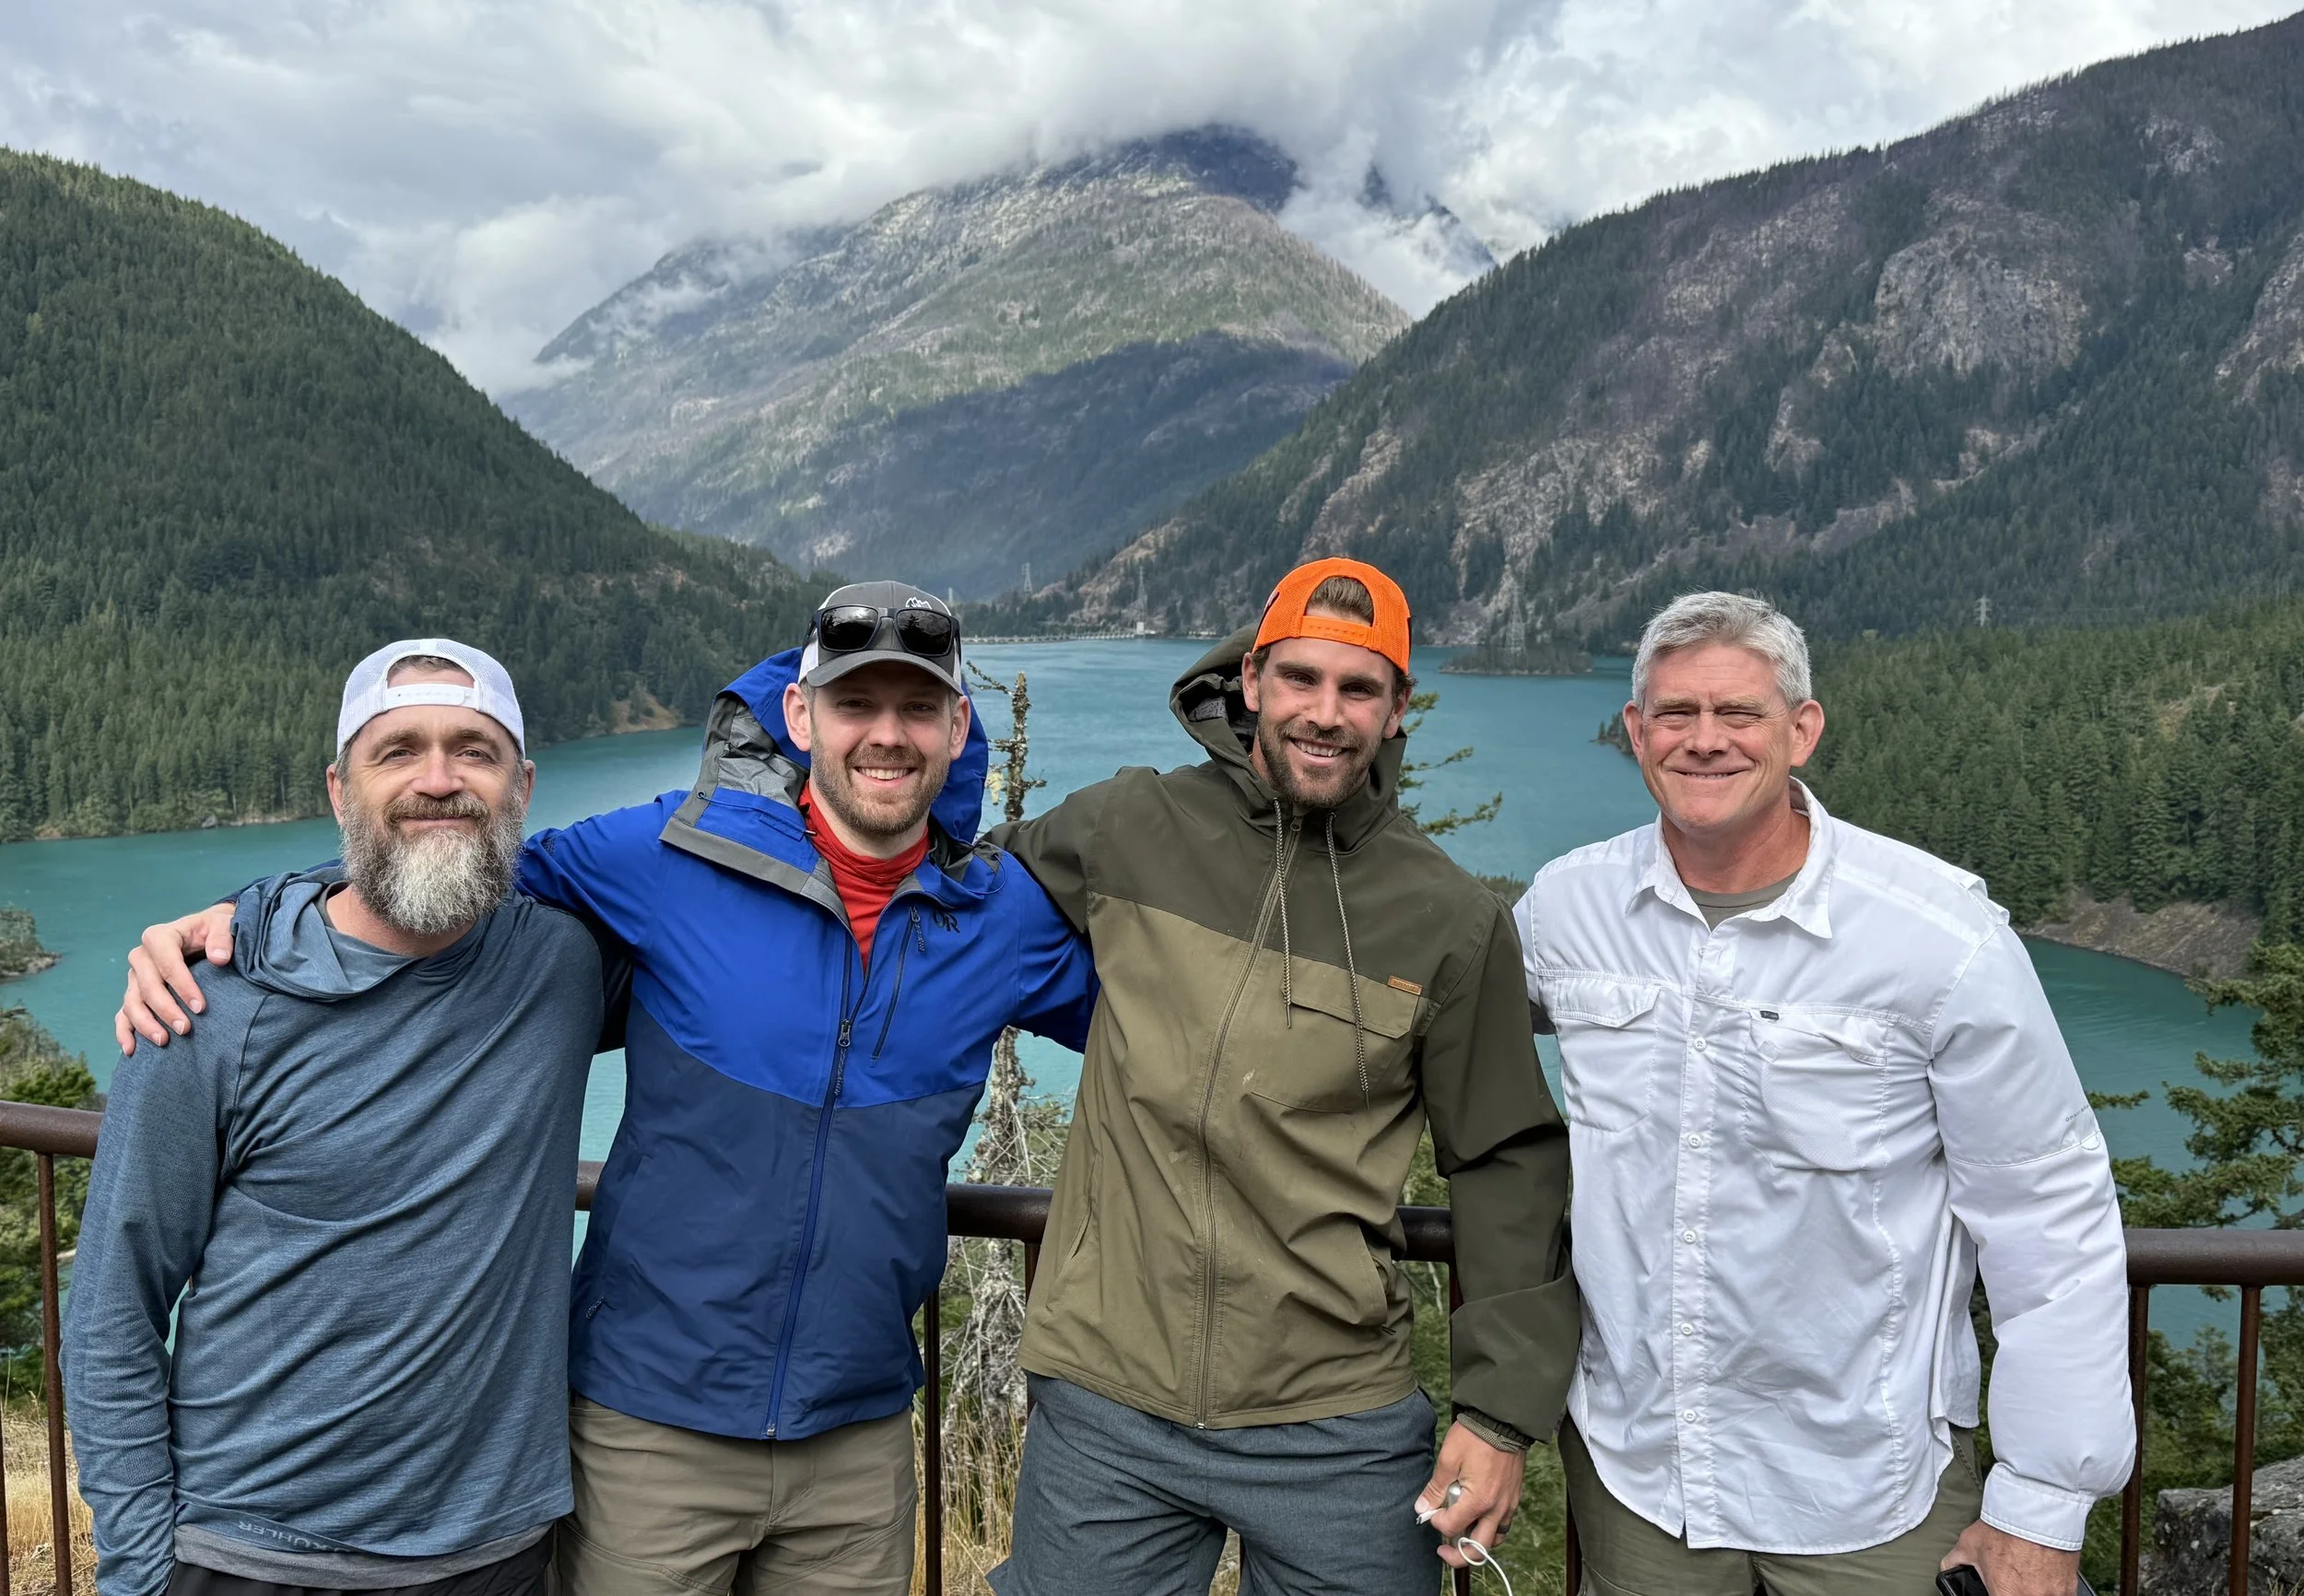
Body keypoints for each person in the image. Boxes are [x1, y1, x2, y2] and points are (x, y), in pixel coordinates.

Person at [116, 584, 1099, 1596]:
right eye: (854, 704)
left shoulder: (1002, 918)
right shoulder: (663, 854)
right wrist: (251, 911)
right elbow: (442, 860)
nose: (885, 736)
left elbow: (1156, 1028)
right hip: (645, 1430)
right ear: (802, 718)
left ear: (956, 725)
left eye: (917, 708)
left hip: (856, 1444)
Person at [983, 557, 1580, 1596]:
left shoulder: (1449, 919)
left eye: (1359, 690)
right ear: (1250, 681)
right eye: (1300, 680)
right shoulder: (1128, 827)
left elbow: (1507, 1165)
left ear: (1397, 711)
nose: (1325, 714)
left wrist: (1497, 1414)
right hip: (1106, 1403)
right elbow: (957, 905)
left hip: (1335, 1419)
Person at [1517, 591, 2132, 1596]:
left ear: (1801, 731)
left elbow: (2048, 1219)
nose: (1702, 741)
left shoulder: (1937, 937)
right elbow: (1445, 1031)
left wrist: (2039, 1509)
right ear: (1634, 731)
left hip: (1869, 1482)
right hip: (1641, 1476)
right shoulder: (1565, 910)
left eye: (1739, 714)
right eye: (1674, 714)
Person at [68, 640, 605, 1596]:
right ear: (339, 790)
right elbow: (113, 1315)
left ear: (521, 785)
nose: (437, 780)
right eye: (396, 751)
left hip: (494, 1554)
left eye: (472, 751)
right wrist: (142, 1572)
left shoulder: (559, 968)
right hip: (251, 1557)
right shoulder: (206, 1005)